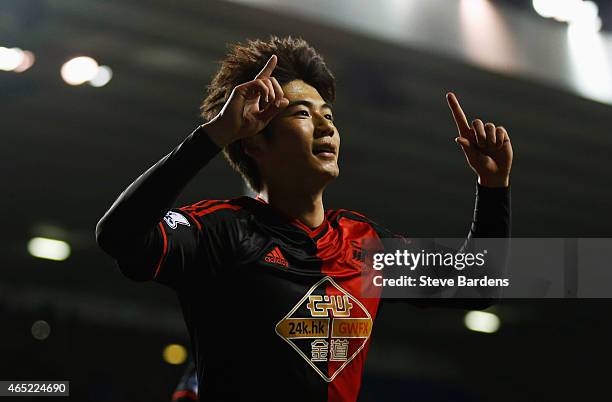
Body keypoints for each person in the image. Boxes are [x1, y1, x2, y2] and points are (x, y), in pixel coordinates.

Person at [96, 36, 512, 402]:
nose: (325, 126)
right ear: (255, 141)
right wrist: (215, 134)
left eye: (328, 115)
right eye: (302, 114)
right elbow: (119, 235)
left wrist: (493, 188)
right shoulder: (224, 231)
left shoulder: (364, 246)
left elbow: (478, 285)